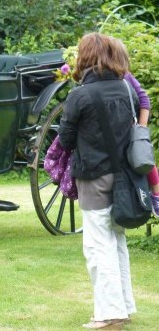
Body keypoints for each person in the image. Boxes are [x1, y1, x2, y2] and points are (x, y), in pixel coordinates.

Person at [58, 33, 136, 330]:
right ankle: (124, 306)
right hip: (124, 175)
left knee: (97, 247)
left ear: (86, 57)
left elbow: (65, 139)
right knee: (116, 242)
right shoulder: (125, 89)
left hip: (94, 175)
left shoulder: (81, 95)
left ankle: (108, 314)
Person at [109, 37, 159, 216]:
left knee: (144, 159)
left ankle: (156, 195)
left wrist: (141, 129)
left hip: (132, 130)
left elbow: (144, 99)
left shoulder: (126, 77)